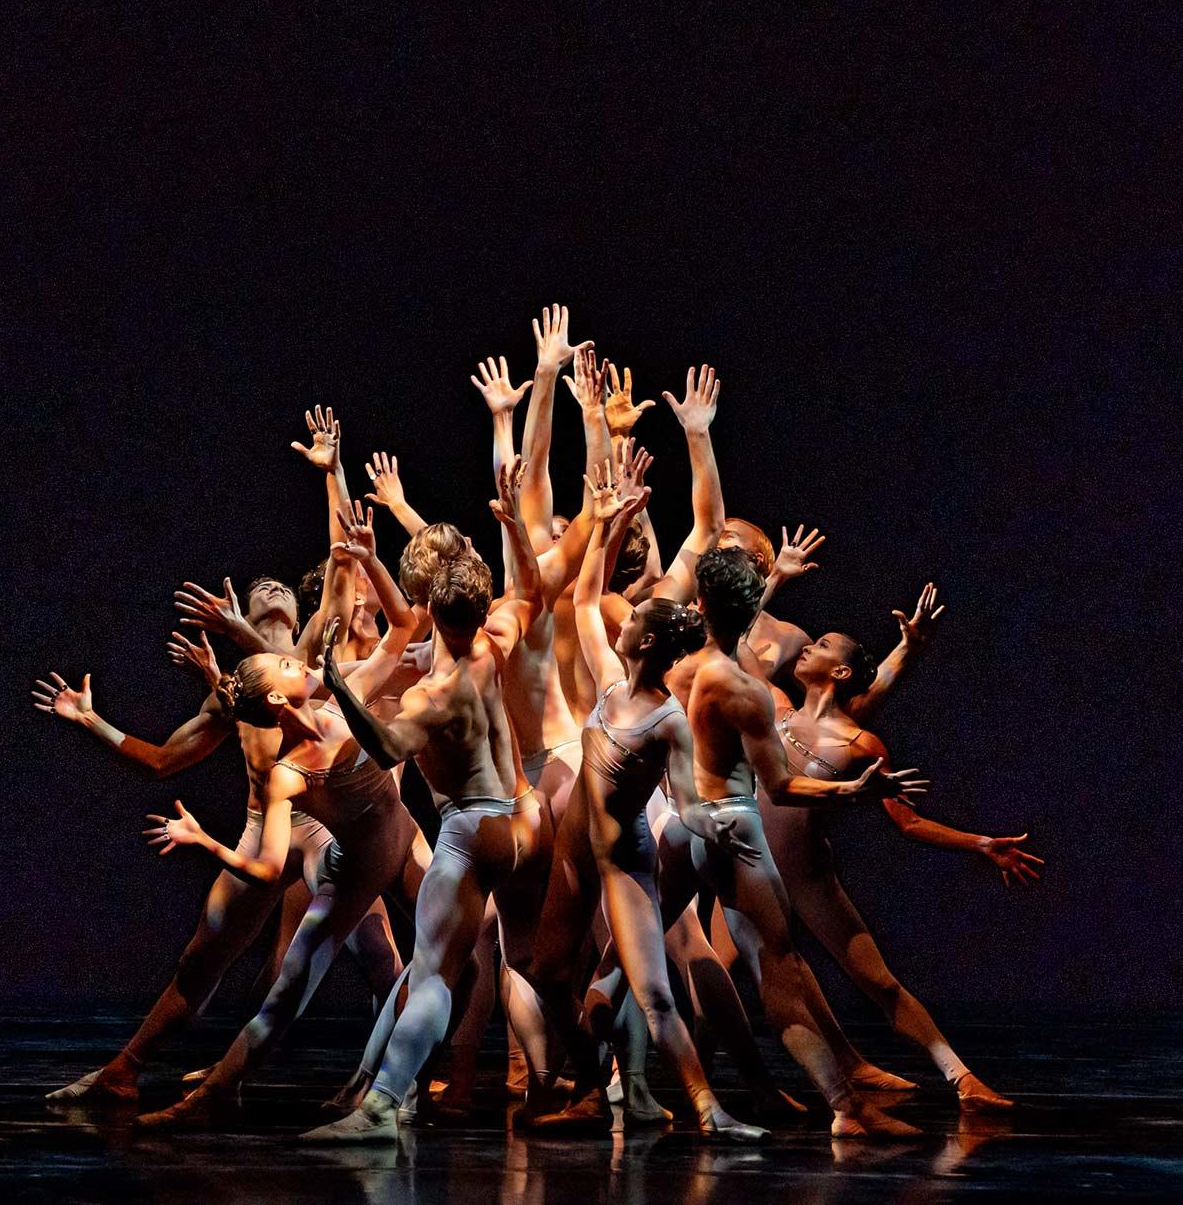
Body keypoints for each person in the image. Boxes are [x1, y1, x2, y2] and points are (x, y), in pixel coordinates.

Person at [136, 498, 425, 1130]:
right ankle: (207, 1099)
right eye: (290, 663)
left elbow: (385, 619)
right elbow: (266, 869)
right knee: (287, 991)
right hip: (353, 867)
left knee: (436, 955)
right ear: (276, 694)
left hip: (398, 841)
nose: (302, 658)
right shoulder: (289, 775)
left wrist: (353, 534)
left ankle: (386, 1086)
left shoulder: (335, 697)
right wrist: (203, 840)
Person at [524, 449, 769, 1139]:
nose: (620, 620)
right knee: (544, 970)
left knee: (656, 996)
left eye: (634, 621)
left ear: (648, 641)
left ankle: (706, 1108)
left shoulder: (667, 722)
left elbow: (690, 804)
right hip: (576, 843)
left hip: (621, 858)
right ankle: (587, 1079)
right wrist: (611, 519)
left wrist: (716, 838)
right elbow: (579, 596)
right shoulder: (608, 677)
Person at [662, 533, 930, 1138]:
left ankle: (595, 1087)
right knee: (778, 969)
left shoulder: (679, 667)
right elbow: (780, 787)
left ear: (700, 603)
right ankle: (844, 1105)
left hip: (681, 826)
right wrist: (849, 792)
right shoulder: (747, 687)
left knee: (627, 961)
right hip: (731, 827)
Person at [306, 537, 554, 1142]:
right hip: (526, 821)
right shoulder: (496, 640)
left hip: (472, 831)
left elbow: (389, 746)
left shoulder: (431, 697)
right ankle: (565, 1084)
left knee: (434, 975)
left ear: (434, 615)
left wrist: (340, 686)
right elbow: (533, 593)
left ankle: (382, 1102)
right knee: (526, 965)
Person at [761, 628, 1042, 1112]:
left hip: (808, 876)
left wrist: (981, 844)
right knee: (720, 967)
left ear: (841, 673)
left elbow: (909, 824)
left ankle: (962, 1077)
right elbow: (728, 641)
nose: (806, 647)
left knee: (879, 983)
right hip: (752, 870)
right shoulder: (772, 706)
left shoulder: (860, 744)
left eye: (822, 646)